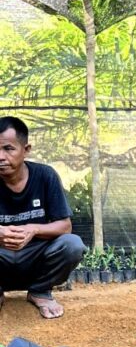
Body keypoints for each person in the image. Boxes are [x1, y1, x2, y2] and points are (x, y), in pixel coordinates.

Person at [0, 116, 85, 319]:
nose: (1, 156)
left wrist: (34, 229)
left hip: (36, 257)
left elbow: (65, 226)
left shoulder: (45, 176)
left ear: (26, 149)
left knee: (72, 245)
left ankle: (40, 290)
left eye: (8, 148)